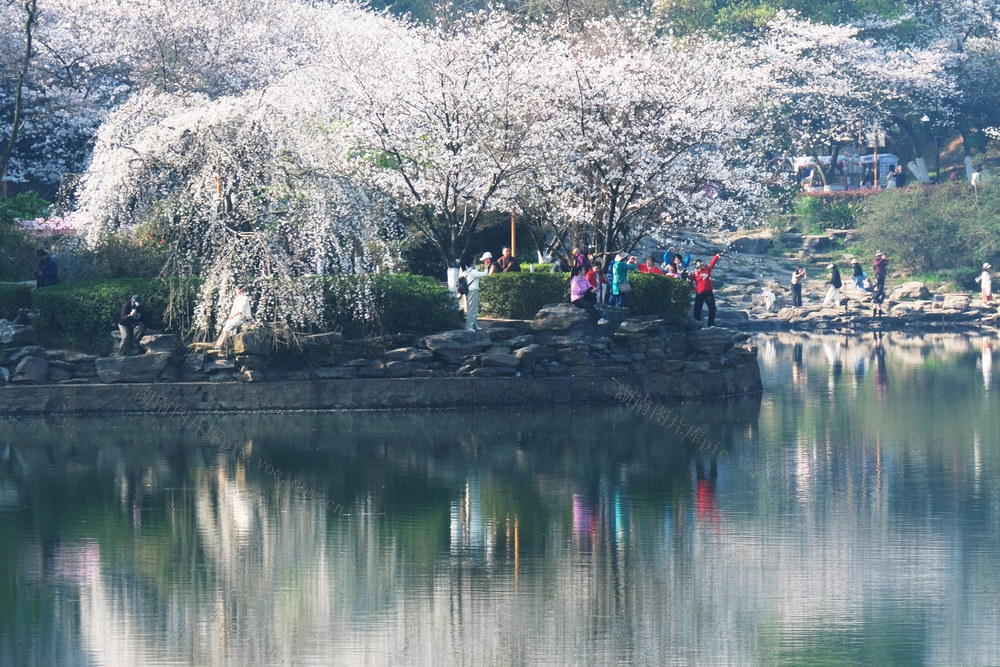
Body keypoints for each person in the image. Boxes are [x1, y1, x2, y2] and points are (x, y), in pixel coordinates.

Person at [690, 252, 725, 326]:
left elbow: (712, 263)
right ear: (696, 265)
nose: (701, 265)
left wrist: (717, 256)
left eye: (701, 263)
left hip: (708, 292)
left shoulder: (707, 269)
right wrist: (693, 288)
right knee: (697, 309)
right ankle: (697, 323)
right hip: (699, 293)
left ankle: (711, 324)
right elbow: (689, 281)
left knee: (712, 308)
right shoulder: (694, 274)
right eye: (699, 264)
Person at [214, 285, 252, 349]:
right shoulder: (237, 298)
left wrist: (233, 315)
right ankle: (218, 344)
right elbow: (234, 309)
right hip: (234, 317)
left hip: (241, 318)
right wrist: (231, 316)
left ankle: (220, 345)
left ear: (241, 290)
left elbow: (241, 310)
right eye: (236, 289)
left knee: (226, 329)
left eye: (238, 289)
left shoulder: (244, 298)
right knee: (224, 329)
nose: (237, 290)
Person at [461, 253, 492, 331]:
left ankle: (475, 325)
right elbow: (484, 274)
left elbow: (477, 271)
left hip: (470, 291)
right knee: (472, 309)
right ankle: (469, 327)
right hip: (473, 290)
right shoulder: (471, 272)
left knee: (473, 308)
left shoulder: (467, 270)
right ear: (471, 263)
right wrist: (487, 267)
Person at [872, 251, 888, 317]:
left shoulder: (882, 261)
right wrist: (882, 260)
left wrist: (885, 260)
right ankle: (875, 298)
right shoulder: (876, 260)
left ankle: (878, 317)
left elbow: (885, 264)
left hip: (882, 275)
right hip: (879, 275)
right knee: (880, 287)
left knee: (881, 288)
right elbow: (877, 264)